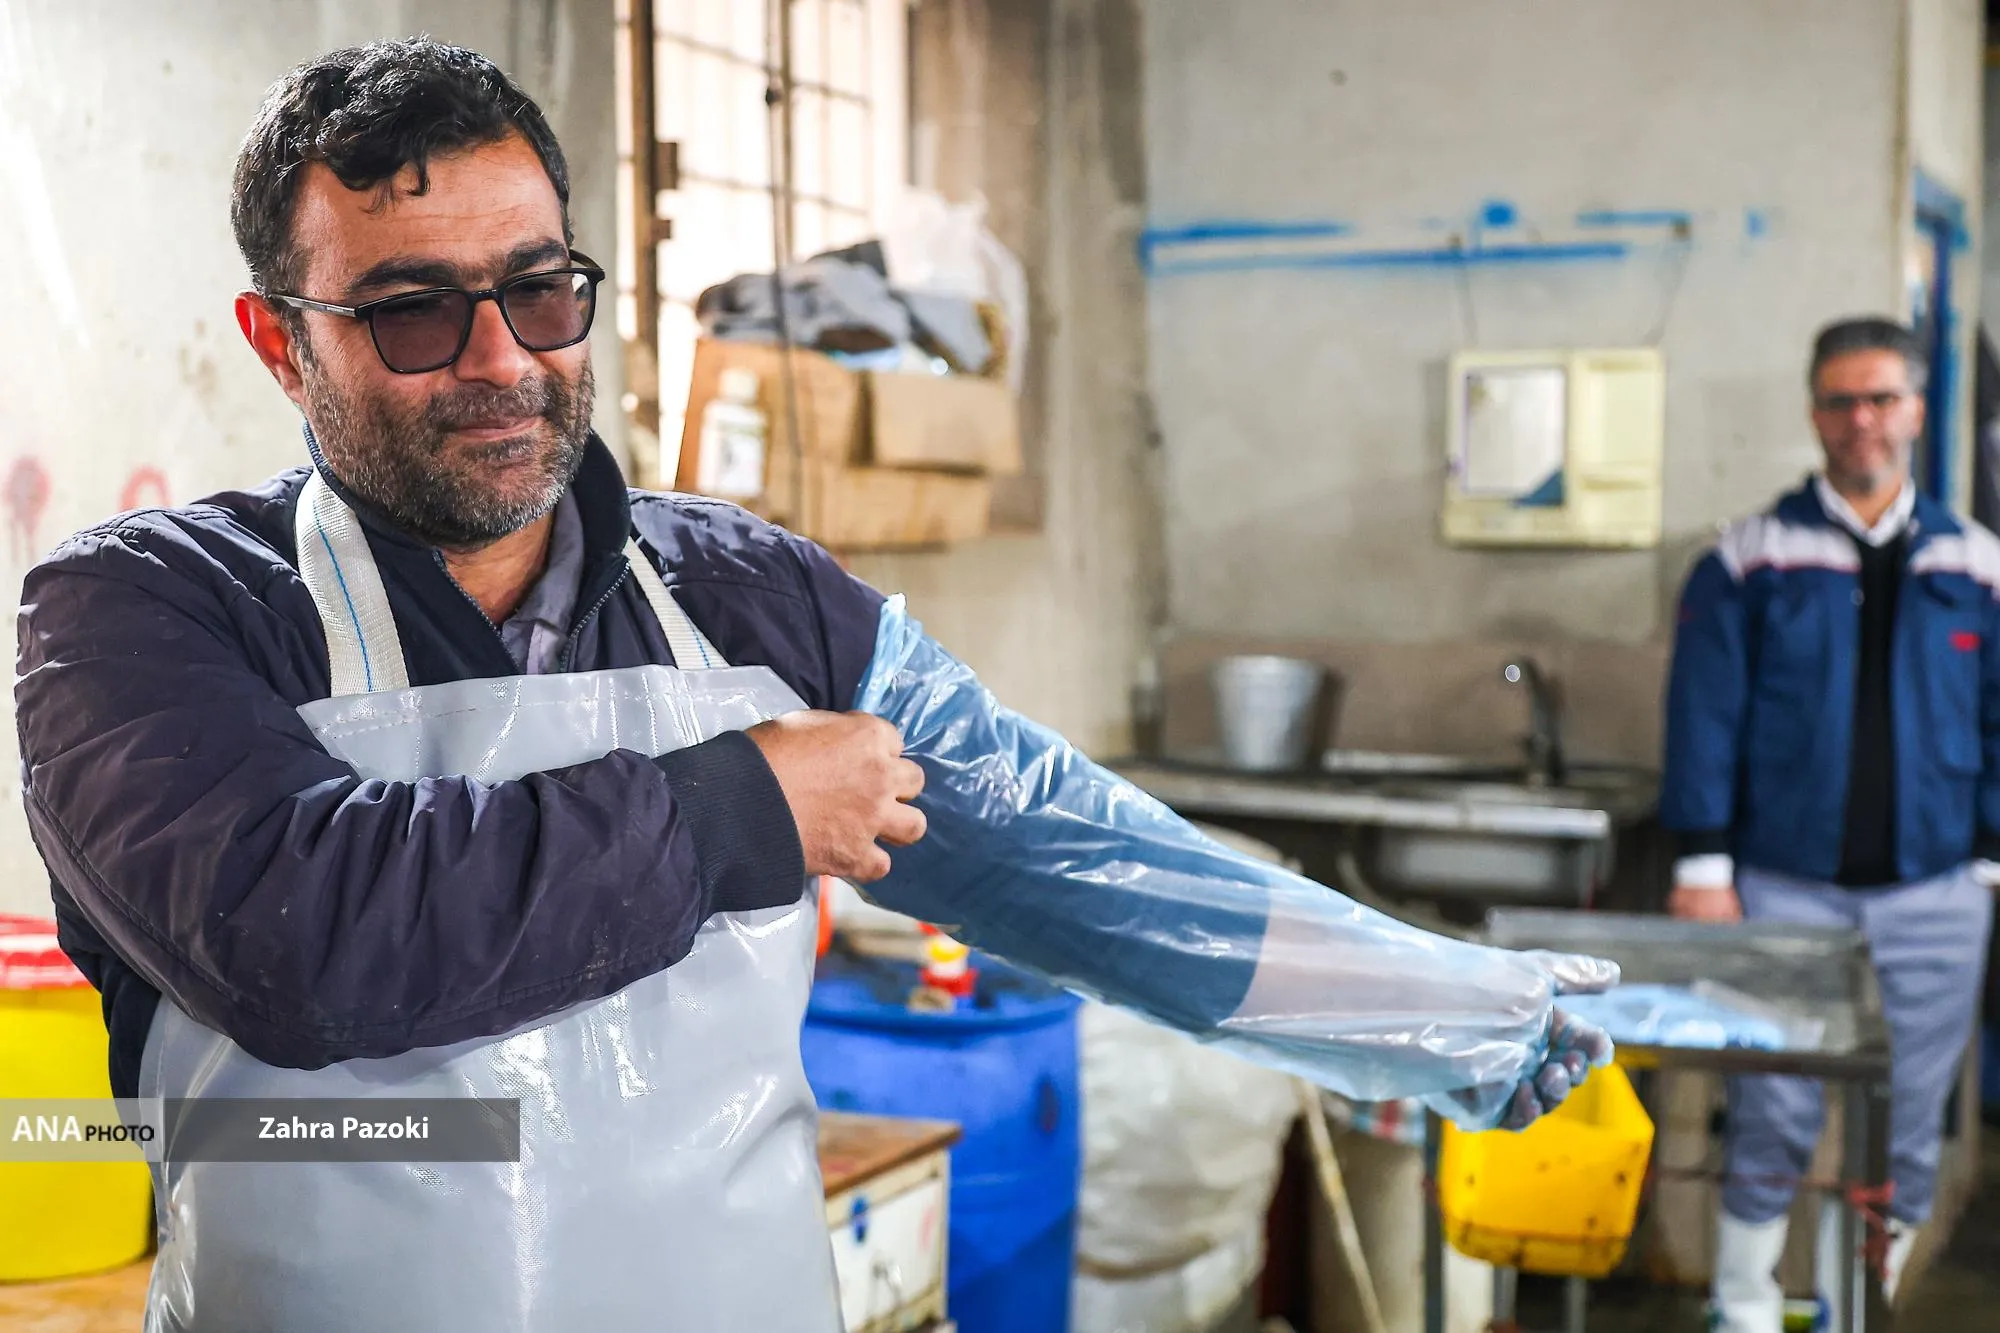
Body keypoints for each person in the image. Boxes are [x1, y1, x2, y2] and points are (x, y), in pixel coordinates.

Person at [16, 40, 1612, 1333]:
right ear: (279, 342)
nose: (502, 359)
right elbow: (303, 937)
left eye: (541, 289)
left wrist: (1435, 1003)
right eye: (413, 311)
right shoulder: (140, 611)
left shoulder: (753, 597)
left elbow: (1074, 861)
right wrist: (738, 809)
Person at [1662, 317, 1998, 1332]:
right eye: (1841, 400)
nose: (1862, 420)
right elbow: (1703, 714)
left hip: (1934, 893)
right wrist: (1702, 864)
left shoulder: (1978, 563)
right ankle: (1743, 1307)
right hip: (1781, 888)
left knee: (1907, 1118)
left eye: (1882, 398)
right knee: (1772, 1109)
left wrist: (1988, 857)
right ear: (1814, 413)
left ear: (1915, 410)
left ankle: (1859, 1309)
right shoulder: (1748, 558)